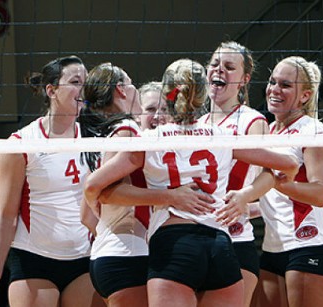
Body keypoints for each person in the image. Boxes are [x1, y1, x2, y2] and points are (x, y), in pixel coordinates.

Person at [84, 58, 299, 307]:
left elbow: (93, 186)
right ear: (202, 95)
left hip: (174, 247)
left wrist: (163, 197)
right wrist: (263, 187)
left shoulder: (149, 140)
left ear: (166, 95)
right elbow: (289, 164)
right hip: (220, 247)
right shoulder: (223, 137)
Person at [78, 63, 214, 307]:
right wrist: (170, 196)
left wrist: (109, 229)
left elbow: (87, 216)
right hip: (128, 255)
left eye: (163, 108)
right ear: (121, 90)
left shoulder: (108, 132)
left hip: (110, 255)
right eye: (150, 108)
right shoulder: (128, 131)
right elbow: (93, 187)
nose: (158, 114)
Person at [0, 55, 101, 307]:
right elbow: (6, 216)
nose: (83, 89)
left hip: (85, 258)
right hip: (35, 260)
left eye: (86, 82)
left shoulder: (97, 139)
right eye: (75, 81)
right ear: (51, 90)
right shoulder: (21, 144)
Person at [230, 56, 323, 307]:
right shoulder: (268, 130)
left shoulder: (312, 130)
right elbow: (274, 199)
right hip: (273, 248)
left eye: (285, 85)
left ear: (305, 96)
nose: (274, 89)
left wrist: (275, 182)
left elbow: (318, 194)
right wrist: (244, 208)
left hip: (312, 245)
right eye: (273, 82)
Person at [198, 41, 268, 307]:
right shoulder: (197, 124)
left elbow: (270, 176)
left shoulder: (253, 121)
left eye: (229, 67)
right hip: (197, 236)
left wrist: (245, 197)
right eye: (215, 64)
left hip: (235, 237)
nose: (219, 71)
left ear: (244, 80)